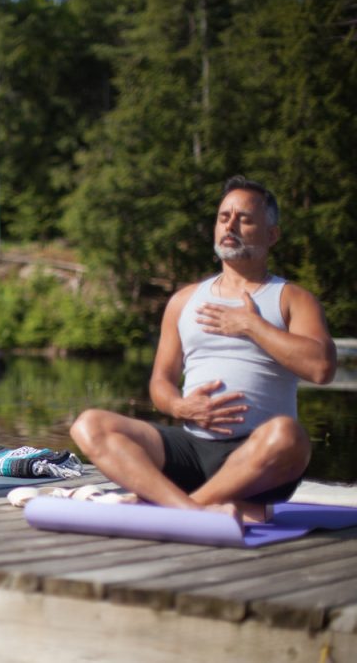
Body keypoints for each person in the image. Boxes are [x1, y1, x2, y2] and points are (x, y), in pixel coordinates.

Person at [70, 176, 336, 521]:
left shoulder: (293, 299)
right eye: (224, 217)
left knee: (290, 436)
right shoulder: (183, 301)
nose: (231, 225)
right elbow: (160, 383)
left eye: (245, 218)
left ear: (272, 234)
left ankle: (177, 505)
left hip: (257, 457)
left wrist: (252, 325)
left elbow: (322, 368)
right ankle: (193, 510)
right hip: (191, 450)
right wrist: (181, 406)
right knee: (90, 425)